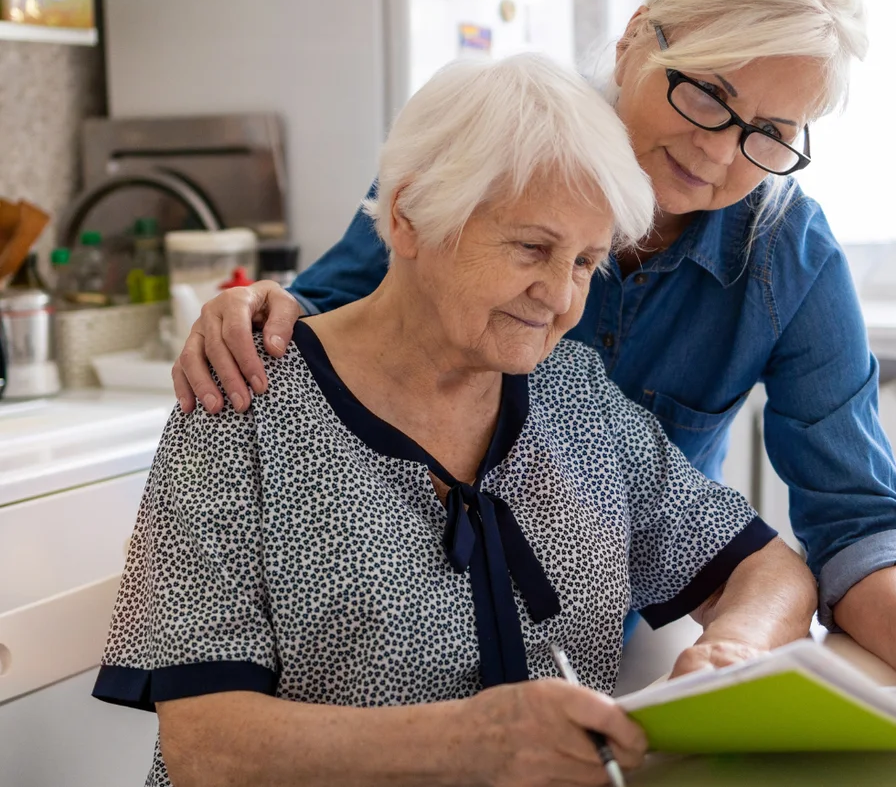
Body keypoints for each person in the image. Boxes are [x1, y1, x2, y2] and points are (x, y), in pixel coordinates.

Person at [174, 0, 896, 688]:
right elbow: (328, 325)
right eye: (706, 94)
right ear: (637, 39)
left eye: (769, 132)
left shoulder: (787, 257)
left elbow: (855, 515)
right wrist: (250, 310)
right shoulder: (489, 153)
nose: (716, 150)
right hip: (382, 638)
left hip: (600, 641)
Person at [94, 54, 817, 787]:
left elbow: (769, 572)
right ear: (408, 215)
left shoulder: (577, 395)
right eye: (532, 247)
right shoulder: (243, 401)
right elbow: (207, 747)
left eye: (584, 262)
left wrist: (734, 651)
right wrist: (474, 742)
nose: (560, 299)